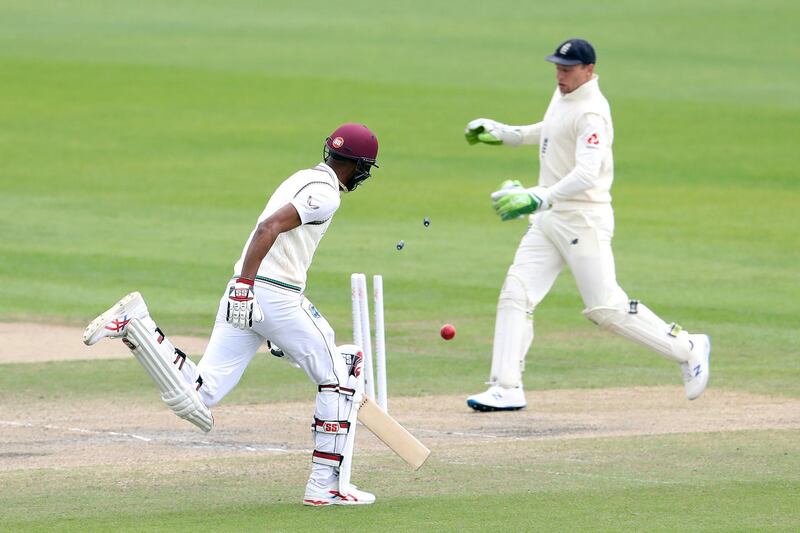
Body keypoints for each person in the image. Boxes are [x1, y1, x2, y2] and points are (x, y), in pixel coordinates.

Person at [83, 123, 381, 506]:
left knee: (200, 394)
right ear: (358, 166)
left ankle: (138, 326)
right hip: (272, 294)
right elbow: (268, 227)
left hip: (250, 293)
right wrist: (247, 286)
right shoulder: (326, 196)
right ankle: (324, 486)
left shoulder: (304, 177)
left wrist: (245, 291)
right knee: (339, 380)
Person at [463, 38, 710, 412]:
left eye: (568, 69)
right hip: (550, 219)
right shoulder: (564, 95)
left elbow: (587, 172)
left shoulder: (592, 111)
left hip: (582, 219)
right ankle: (506, 387)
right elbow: (551, 130)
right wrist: (506, 133)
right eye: (558, 68)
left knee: (604, 308)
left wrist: (538, 196)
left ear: (589, 70)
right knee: (516, 293)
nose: (560, 75)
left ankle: (688, 347)